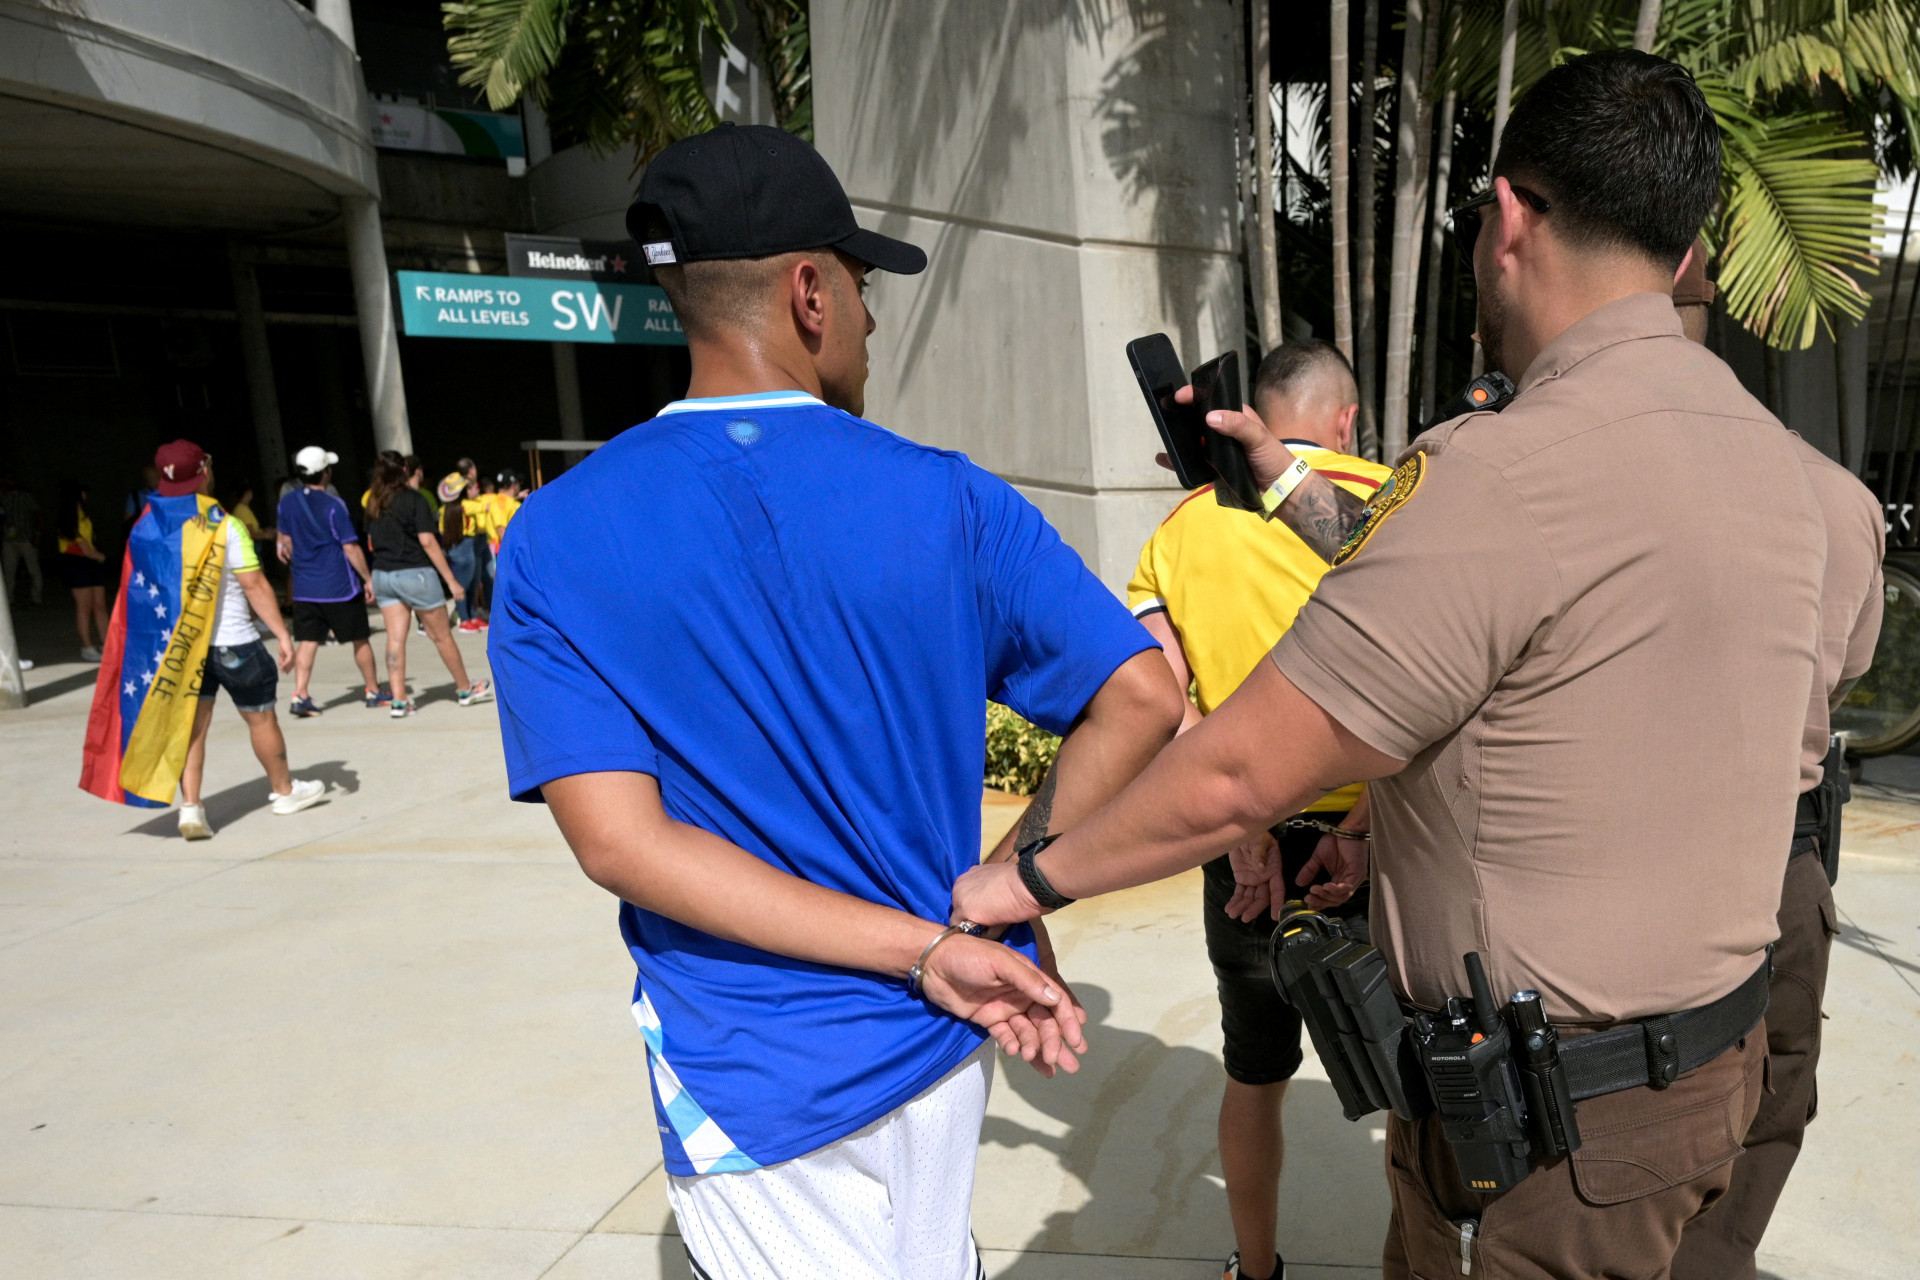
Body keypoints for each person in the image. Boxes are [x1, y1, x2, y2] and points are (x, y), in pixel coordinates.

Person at [954, 51, 1826, 1280]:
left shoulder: (1501, 471)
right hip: (1716, 1085)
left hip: (1550, 1148)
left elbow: (1235, 773)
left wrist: (1024, 879)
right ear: (1685, 247)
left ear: (1509, 217)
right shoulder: (1799, 479)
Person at [490, 122, 1185, 1280]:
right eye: (863, 287)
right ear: (810, 291)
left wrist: (923, 950)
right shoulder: (951, 499)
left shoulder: (557, 536)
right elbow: (1143, 694)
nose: (872, 318)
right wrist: (1000, 890)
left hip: (755, 1063)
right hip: (942, 1038)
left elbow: (621, 842)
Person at [1127, 339, 1388, 1280]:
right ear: (1345, 422)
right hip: (1372, 848)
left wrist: (1242, 826)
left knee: (1253, 1074)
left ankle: (1257, 1268)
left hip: (1240, 856)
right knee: (1417, 1082)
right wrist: (1357, 834)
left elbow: (1159, 700)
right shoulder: (1391, 506)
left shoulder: (1184, 527)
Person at [1667, 265, 1886, 1280]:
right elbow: (1849, 666)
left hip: (1609, 855)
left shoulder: (1541, 471)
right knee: (1772, 1091)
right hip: (1780, 847)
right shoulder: (1838, 498)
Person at [139, 442, 327, 840]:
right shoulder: (224, 524)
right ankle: (284, 791)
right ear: (203, 473)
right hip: (234, 642)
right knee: (260, 717)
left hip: (183, 647)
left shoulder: (148, 527)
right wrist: (281, 633)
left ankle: (191, 806)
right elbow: (254, 584)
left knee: (194, 727)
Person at [363, 454, 492, 717]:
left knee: (395, 638)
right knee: (442, 636)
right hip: (415, 573)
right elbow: (428, 542)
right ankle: (465, 688)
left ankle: (399, 700)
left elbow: (371, 541)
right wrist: (451, 580)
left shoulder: (374, 502)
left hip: (383, 575)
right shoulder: (414, 499)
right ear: (404, 469)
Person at [276, 445, 381, 716]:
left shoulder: (287, 502)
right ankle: (372, 690)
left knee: (308, 641)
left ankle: (299, 694)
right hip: (339, 587)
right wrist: (367, 579)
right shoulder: (334, 505)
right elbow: (350, 547)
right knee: (359, 639)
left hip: (304, 587)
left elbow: (284, 541)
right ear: (325, 473)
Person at [55, 479, 111, 661]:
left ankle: (106, 643)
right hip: (76, 562)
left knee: (100, 605)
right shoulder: (68, 517)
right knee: (84, 606)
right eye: (82, 492)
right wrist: (102, 557)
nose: (86, 495)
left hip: (89, 562)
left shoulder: (83, 514)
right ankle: (87, 647)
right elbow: (83, 547)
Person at [437, 472, 486, 630]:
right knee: (466, 585)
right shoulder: (467, 505)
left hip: (454, 547)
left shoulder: (444, 510)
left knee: (466, 584)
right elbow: (485, 507)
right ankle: (465, 619)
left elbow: (442, 530)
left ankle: (469, 616)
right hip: (467, 546)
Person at [1, 471, 43, 608]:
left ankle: (36, 599)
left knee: (33, 570)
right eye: (7, 479)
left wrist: (37, 534)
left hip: (26, 538)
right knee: (8, 573)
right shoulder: (1, 497)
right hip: (8, 540)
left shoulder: (24, 496)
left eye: (12, 479)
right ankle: (9, 600)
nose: (10, 482)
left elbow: (38, 514)